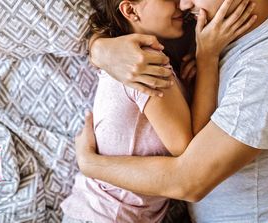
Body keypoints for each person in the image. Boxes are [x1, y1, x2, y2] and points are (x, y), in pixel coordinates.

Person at [75, 0, 268, 222]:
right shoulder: (208, 36)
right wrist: (101, 48)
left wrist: (90, 165)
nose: (183, 4)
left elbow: (189, 182)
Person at [61, 0, 256, 222]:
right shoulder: (146, 66)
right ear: (130, 10)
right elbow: (190, 149)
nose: (181, 5)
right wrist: (207, 59)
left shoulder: (139, 61)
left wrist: (193, 85)